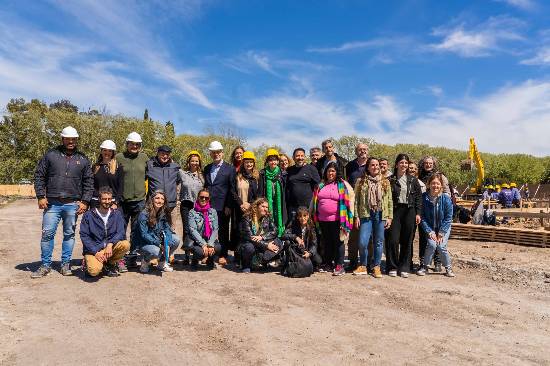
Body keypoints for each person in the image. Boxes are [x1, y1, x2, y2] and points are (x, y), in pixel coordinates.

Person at [31, 126, 94, 278]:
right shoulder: (51, 155)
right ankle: (45, 265)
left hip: (72, 205)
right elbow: (39, 175)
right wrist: (41, 196)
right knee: (47, 235)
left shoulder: (83, 159)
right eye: (68, 139)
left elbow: (89, 182)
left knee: (69, 235)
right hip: (52, 203)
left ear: (76, 140)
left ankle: (65, 264)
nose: (71, 141)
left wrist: (85, 201)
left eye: (73, 139)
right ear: (63, 139)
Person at [311, 161, 354, 276]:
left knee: (339, 242)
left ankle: (339, 265)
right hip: (322, 220)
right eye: (329, 171)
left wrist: (347, 219)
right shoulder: (320, 185)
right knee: (327, 242)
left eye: (333, 171)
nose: (331, 173)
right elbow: (314, 201)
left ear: (337, 172)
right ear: (325, 172)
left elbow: (349, 202)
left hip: (338, 219)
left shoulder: (342, 184)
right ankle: (328, 263)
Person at [353, 157, 393, 278]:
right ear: (368, 167)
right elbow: (356, 200)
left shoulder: (385, 181)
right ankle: (363, 265)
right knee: (363, 242)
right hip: (365, 214)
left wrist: (390, 216)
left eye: (377, 165)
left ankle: (376, 266)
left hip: (380, 214)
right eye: (372, 165)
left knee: (379, 242)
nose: (375, 167)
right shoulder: (360, 181)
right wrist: (356, 216)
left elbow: (390, 200)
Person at [80, 187, 130, 277]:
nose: (107, 201)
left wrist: (110, 244)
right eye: (104, 199)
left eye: (109, 199)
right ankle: (90, 263)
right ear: (99, 199)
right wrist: (95, 252)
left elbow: (121, 232)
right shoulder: (89, 215)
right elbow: (84, 236)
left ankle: (110, 264)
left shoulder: (116, 214)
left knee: (125, 244)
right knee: (94, 271)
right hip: (94, 250)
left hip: (109, 248)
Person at [386, 154, 422, 278]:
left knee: (407, 240)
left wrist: (418, 213)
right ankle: (392, 266)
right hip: (395, 212)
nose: (404, 165)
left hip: (409, 211)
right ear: (396, 164)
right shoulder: (390, 180)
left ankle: (404, 266)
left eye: (406, 163)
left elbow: (418, 197)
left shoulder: (413, 180)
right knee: (393, 240)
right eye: (401, 162)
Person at [116, 132, 148, 269]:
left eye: (137, 144)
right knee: (120, 229)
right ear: (127, 144)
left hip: (139, 200)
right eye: (132, 144)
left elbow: (149, 175)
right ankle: (120, 258)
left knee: (136, 230)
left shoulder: (144, 158)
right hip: (122, 201)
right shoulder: (118, 157)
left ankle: (132, 257)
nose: (134, 146)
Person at [204, 141, 237, 266]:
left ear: (222, 153)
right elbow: (206, 186)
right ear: (210, 154)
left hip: (223, 206)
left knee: (223, 231)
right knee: (208, 229)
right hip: (208, 205)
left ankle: (223, 254)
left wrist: (229, 205)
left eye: (218, 152)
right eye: (213, 152)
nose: (216, 154)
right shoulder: (207, 168)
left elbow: (232, 189)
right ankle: (208, 254)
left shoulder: (230, 169)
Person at [416, 174, 455, 277]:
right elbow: (422, 217)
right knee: (432, 244)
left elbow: (448, 217)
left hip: (443, 228)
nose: (435, 186)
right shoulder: (424, 198)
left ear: (441, 185)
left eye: (437, 184)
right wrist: (429, 231)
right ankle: (425, 267)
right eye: (433, 183)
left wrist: (441, 232)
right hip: (430, 228)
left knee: (441, 246)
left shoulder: (446, 198)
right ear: (429, 184)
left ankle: (448, 268)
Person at [134, 190, 181, 273]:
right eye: (157, 198)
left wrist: (167, 243)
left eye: (162, 199)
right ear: (152, 199)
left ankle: (161, 263)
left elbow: (167, 229)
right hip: (143, 242)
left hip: (157, 238)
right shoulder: (144, 214)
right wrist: (159, 243)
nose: (159, 201)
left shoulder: (163, 213)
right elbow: (144, 234)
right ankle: (145, 261)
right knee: (156, 251)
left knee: (176, 240)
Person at [417, 155, 449, 272]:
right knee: (423, 238)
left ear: (433, 164)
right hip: (424, 211)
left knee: (438, 238)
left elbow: (447, 192)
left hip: (438, 211)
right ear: (423, 164)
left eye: (430, 163)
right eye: (426, 163)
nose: (428, 165)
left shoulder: (440, 176)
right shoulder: (419, 175)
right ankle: (423, 261)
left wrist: (446, 206)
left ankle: (437, 261)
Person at [238, 198, 283, 273]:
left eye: (267, 207)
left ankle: (263, 260)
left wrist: (262, 237)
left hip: (261, 242)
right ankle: (246, 265)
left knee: (278, 241)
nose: (265, 209)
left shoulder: (267, 217)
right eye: (263, 206)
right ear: (256, 207)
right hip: (248, 244)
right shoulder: (247, 218)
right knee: (249, 247)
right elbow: (250, 237)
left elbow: (275, 231)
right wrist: (267, 245)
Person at [344, 142, 369, 271]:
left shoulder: (372, 164)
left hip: (368, 204)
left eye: (365, 149)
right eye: (360, 149)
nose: (362, 151)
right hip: (353, 204)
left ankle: (367, 263)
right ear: (356, 152)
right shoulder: (350, 166)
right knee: (353, 235)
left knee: (368, 236)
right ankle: (353, 261)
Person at [187, 189, 221, 270]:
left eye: (206, 198)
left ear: (209, 199)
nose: (204, 199)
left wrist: (210, 244)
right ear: (198, 198)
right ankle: (195, 260)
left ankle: (210, 260)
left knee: (218, 248)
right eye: (202, 197)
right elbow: (193, 230)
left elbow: (215, 228)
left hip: (209, 239)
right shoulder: (192, 212)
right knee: (199, 252)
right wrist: (203, 244)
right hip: (197, 240)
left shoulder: (213, 211)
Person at [231, 151, 260, 249]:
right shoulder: (237, 176)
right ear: (243, 163)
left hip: (252, 210)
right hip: (239, 209)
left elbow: (259, 195)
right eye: (247, 162)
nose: (249, 164)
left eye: (251, 162)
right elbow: (233, 191)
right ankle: (238, 257)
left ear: (254, 163)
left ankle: (249, 256)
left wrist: (250, 205)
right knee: (238, 232)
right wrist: (241, 204)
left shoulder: (257, 177)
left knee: (250, 232)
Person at [179, 151, 205, 252]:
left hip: (199, 205)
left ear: (199, 162)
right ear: (189, 162)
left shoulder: (202, 176)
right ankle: (186, 253)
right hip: (186, 203)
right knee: (187, 229)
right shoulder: (182, 173)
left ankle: (196, 252)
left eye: (196, 161)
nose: (194, 163)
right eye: (192, 161)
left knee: (198, 229)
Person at [258, 149, 288, 237]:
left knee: (279, 218)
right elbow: (260, 190)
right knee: (267, 221)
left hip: (280, 204)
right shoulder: (262, 173)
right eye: (270, 160)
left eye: (275, 160)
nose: (273, 162)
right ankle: (269, 236)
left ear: (278, 161)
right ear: (267, 161)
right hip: (267, 204)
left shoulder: (282, 173)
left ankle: (280, 237)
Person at [286, 148, 321, 222]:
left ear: (305, 157)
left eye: (302, 156)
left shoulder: (311, 169)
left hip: (308, 207)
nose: (300, 158)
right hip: (293, 207)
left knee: (309, 229)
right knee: (293, 230)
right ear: (293, 158)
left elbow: (318, 185)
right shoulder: (289, 170)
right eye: (297, 156)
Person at [146, 145, 181, 211]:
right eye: (162, 154)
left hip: (170, 204)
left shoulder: (175, 167)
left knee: (168, 221)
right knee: (152, 221)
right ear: (158, 154)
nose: (165, 156)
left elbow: (178, 181)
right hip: (154, 204)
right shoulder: (149, 165)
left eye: (167, 154)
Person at [91, 140, 123, 209]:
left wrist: (116, 203)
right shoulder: (95, 167)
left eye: (110, 151)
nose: (107, 153)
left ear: (113, 153)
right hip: (96, 202)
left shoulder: (118, 167)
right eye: (105, 150)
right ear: (101, 151)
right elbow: (91, 185)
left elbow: (121, 188)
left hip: (112, 203)